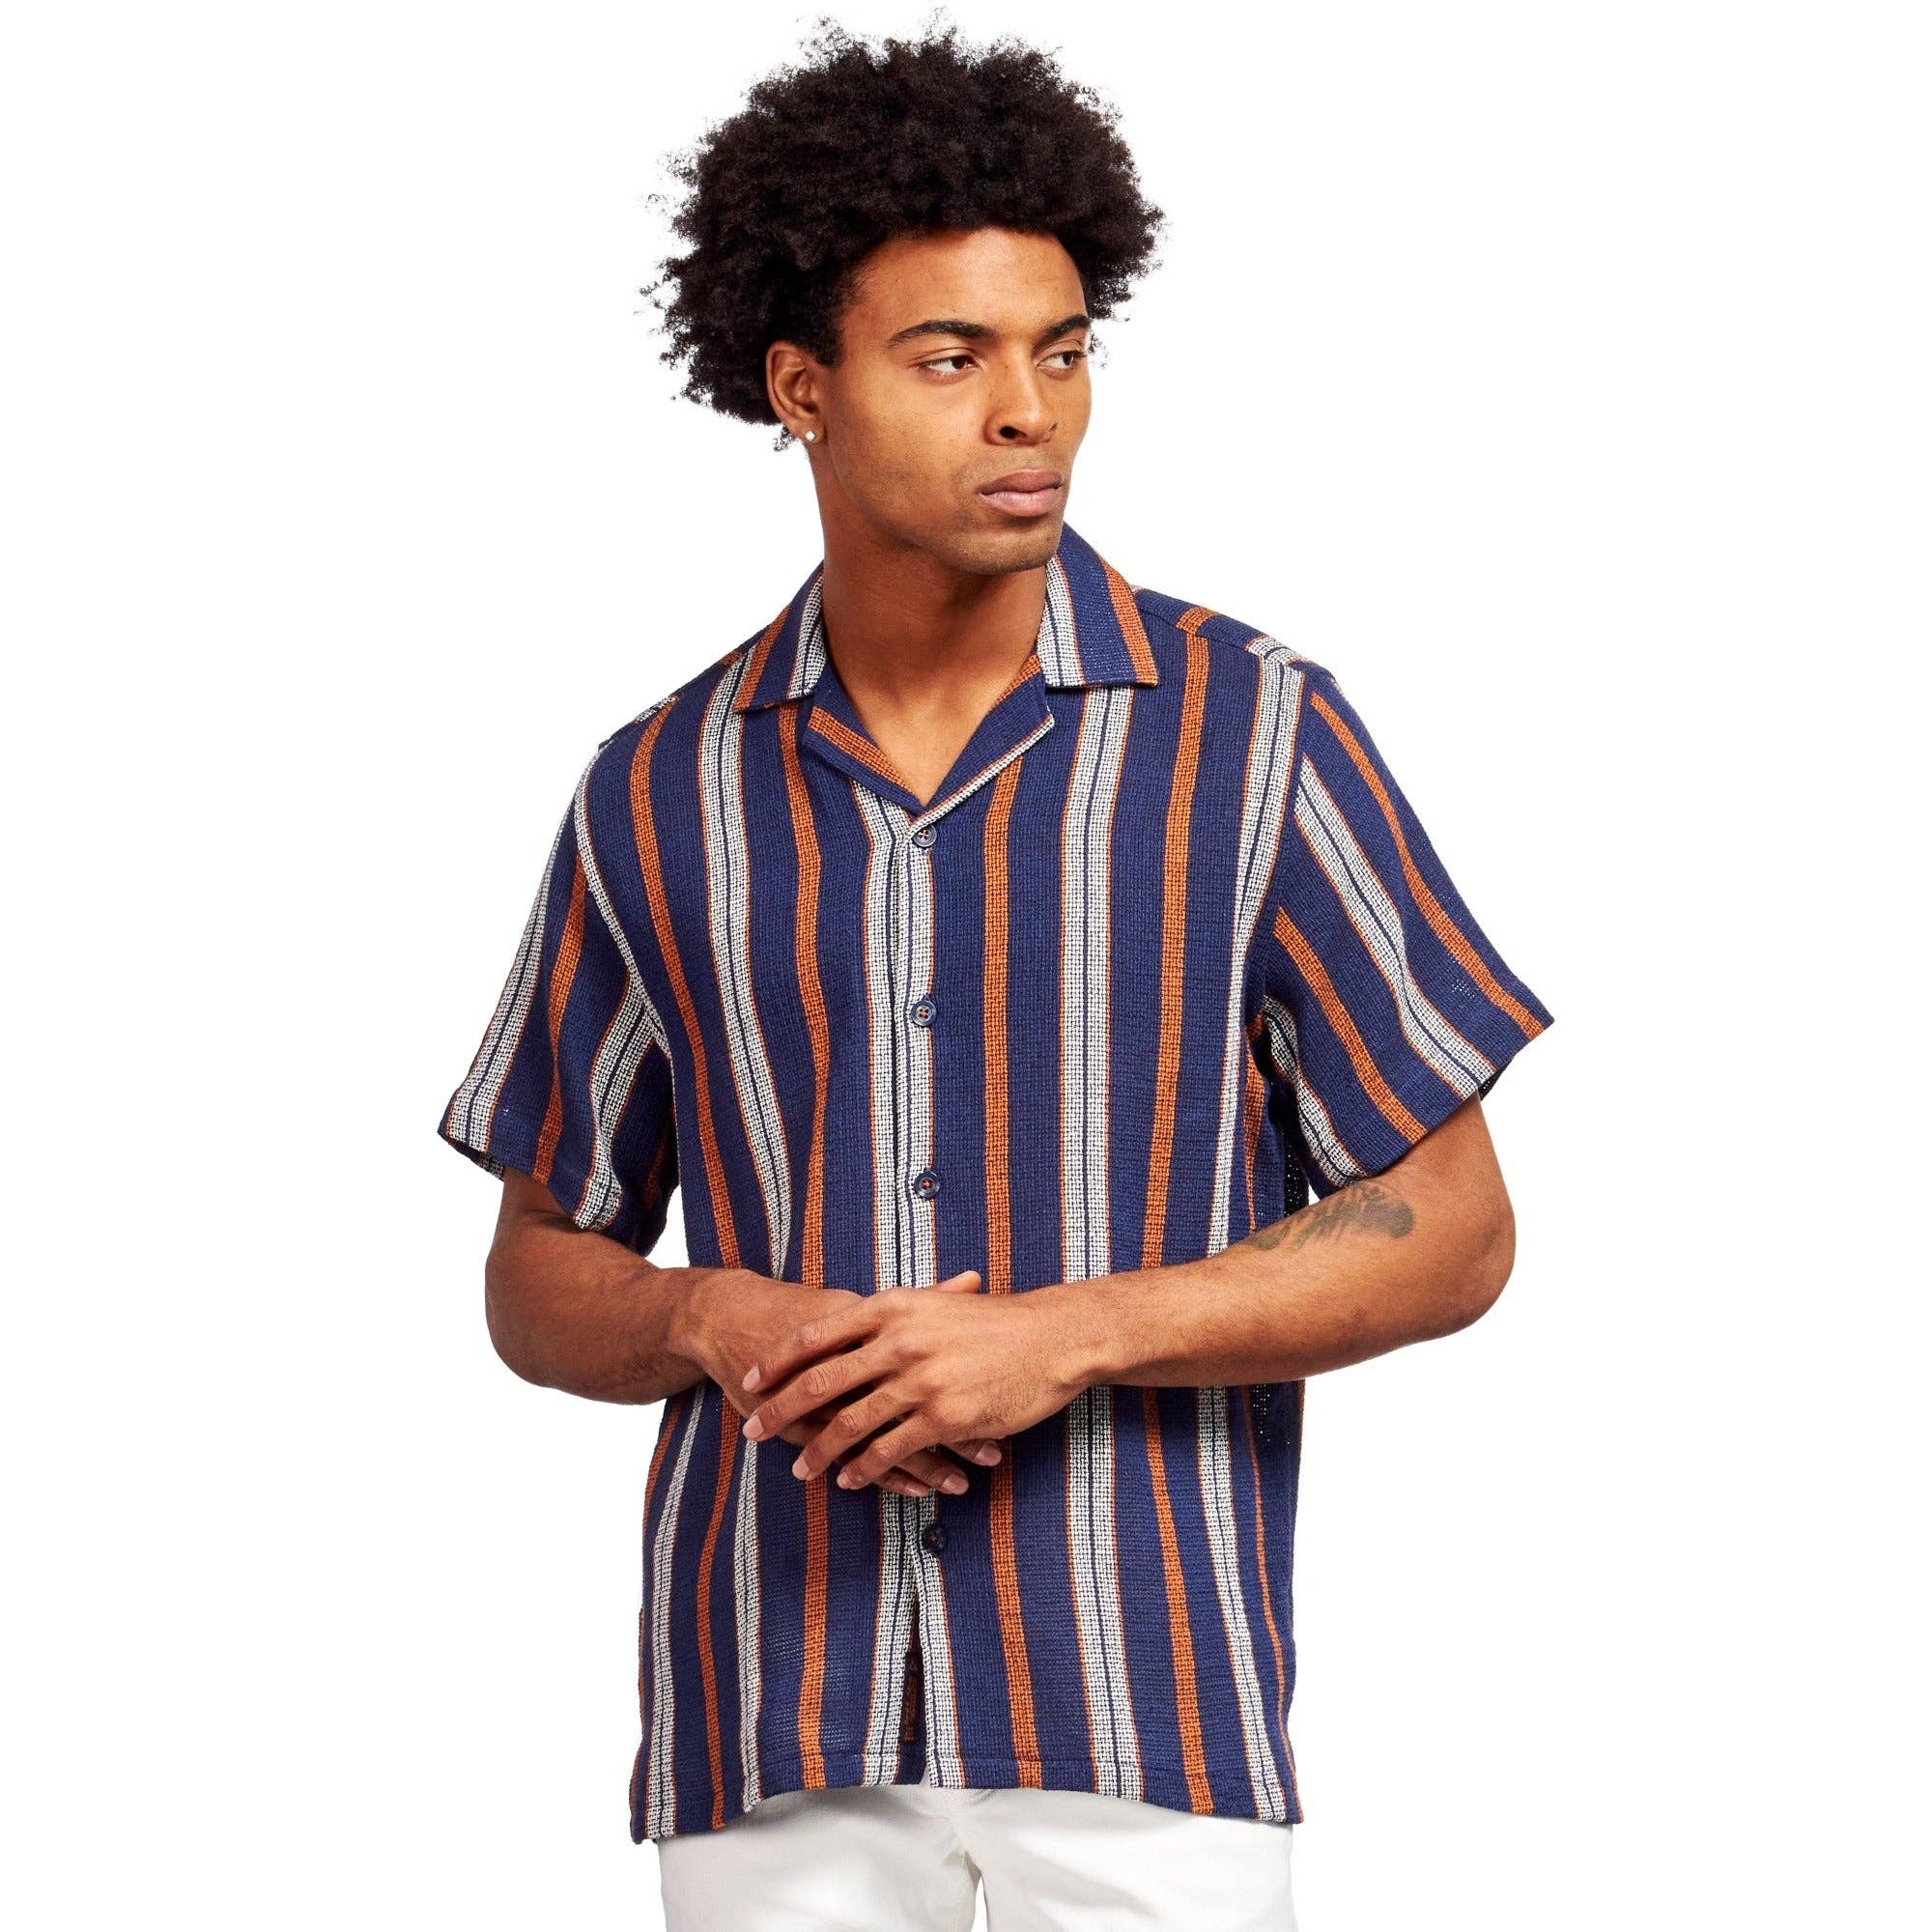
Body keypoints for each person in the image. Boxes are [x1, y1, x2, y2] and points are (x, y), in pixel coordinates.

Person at [435, 17, 1554, 1928]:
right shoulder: (658, 787)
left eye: (1062, 348)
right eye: (950, 358)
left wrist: (1066, 1334)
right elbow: (538, 1274)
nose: (1029, 411)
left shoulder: (1252, 735)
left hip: (1142, 1715)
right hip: (771, 1720)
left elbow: (1452, 1229)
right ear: (802, 386)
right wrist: (710, 1315)